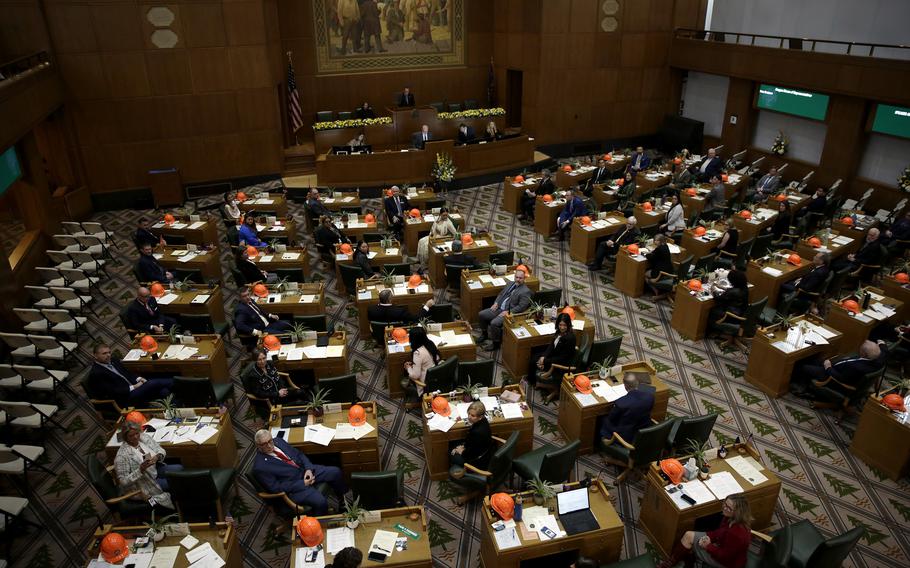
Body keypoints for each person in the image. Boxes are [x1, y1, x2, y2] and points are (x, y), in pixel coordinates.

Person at [252, 429, 346, 515]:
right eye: (264, 444)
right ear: (258, 446)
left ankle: (342, 502)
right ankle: (319, 524)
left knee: (335, 472)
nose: (269, 445)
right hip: (294, 488)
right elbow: (276, 488)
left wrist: (308, 469)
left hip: (304, 471)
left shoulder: (278, 441)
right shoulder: (260, 467)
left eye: (270, 441)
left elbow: (299, 454)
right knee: (321, 502)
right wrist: (302, 483)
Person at [658, 494, 752, 568]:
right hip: (720, 546)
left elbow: (725, 556)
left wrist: (708, 546)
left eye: (729, 508)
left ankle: (683, 562)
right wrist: (709, 537)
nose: (724, 508)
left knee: (690, 543)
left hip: (727, 563)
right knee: (688, 535)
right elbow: (718, 533)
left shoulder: (737, 533)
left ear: (738, 512)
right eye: (725, 504)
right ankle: (677, 562)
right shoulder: (730, 517)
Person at [114, 421, 181, 510]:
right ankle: (176, 507)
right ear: (125, 437)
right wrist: (140, 470)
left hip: (155, 470)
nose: (135, 437)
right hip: (144, 482)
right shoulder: (122, 456)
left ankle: (179, 500)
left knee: (179, 469)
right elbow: (123, 482)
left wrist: (158, 456)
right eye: (131, 436)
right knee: (175, 482)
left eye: (137, 433)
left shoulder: (144, 438)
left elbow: (160, 449)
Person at [86, 344, 173, 408]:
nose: (108, 355)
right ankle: (176, 381)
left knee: (164, 391)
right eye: (104, 353)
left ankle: (177, 408)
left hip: (135, 388)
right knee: (153, 383)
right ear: (95, 355)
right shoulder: (96, 373)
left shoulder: (113, 360)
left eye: (109, 352)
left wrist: (138, 378)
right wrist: (134, 387)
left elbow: (127, 373)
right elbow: (112, 392)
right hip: (124, 398)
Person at [791, 340, 885, 397]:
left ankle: (801, 385)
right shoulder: (877, 360)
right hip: (837, 367)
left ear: (864, 354)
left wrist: (828, 368)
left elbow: (841, 378)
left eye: (861, 348)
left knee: (804, 367)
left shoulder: (856, 367)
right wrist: (882, 344)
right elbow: (885, 352)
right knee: (814, 359)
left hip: (830, 377)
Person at [475, 267, 532, 351]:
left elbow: (521, 307)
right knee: (481, 314)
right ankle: (484, 334)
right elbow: (501, 294)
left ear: (524, 278)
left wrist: (508, 312)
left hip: (508, 313)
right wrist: (496, 302)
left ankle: (496, 344)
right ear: (514, 277)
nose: (518, 279)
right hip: (499, 308)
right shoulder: (510, 283)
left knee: (494, 323)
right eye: (516, 277)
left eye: (520, 278)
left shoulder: (525, 291)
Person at [531, 312, 577, 401]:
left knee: (535, 362)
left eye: (564, 325)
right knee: (534, 358)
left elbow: (562, 358)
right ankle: (536, 382)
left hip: (561, 364)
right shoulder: (559, 332)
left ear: (568, 325)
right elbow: (551, 345)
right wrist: (544, 356)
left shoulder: (570, 338)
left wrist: (545, 361)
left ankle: (540, 383)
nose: (562, 327)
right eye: (560, 325)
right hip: (554, 357)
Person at [599, 372, 655, 444]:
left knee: (603, 419)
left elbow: (611, 419)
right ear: (637, 383)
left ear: (625, 386)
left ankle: (600, 445)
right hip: (644, 430)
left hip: (627, 436)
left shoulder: (621, 403)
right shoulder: (650, 397)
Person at [401, 326, 442, 401]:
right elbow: (435, 359)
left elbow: (415, 376)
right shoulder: (430, 344)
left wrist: (408, 368)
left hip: (425, 385)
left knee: (405, 368)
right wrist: (414, 364)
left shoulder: (418, 353)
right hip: (435, 379)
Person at [450, 401, 493, 468]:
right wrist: (464, 446)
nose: (469, 417)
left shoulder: (477, 432)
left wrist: (461, 451)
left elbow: (472, 453)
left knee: (450, 450)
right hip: (481, 450)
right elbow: (473, 443)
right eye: (469, 413)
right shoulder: (484, 421)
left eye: (473, 415)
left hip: (477, 460)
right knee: (454, 444)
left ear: (480, 417)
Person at [368, 289, 434, 323]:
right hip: (395, 333)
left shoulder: (371, 310)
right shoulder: (400, 311)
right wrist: (426, 306)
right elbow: (416, 319)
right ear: (390, 300)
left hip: (378, 334)